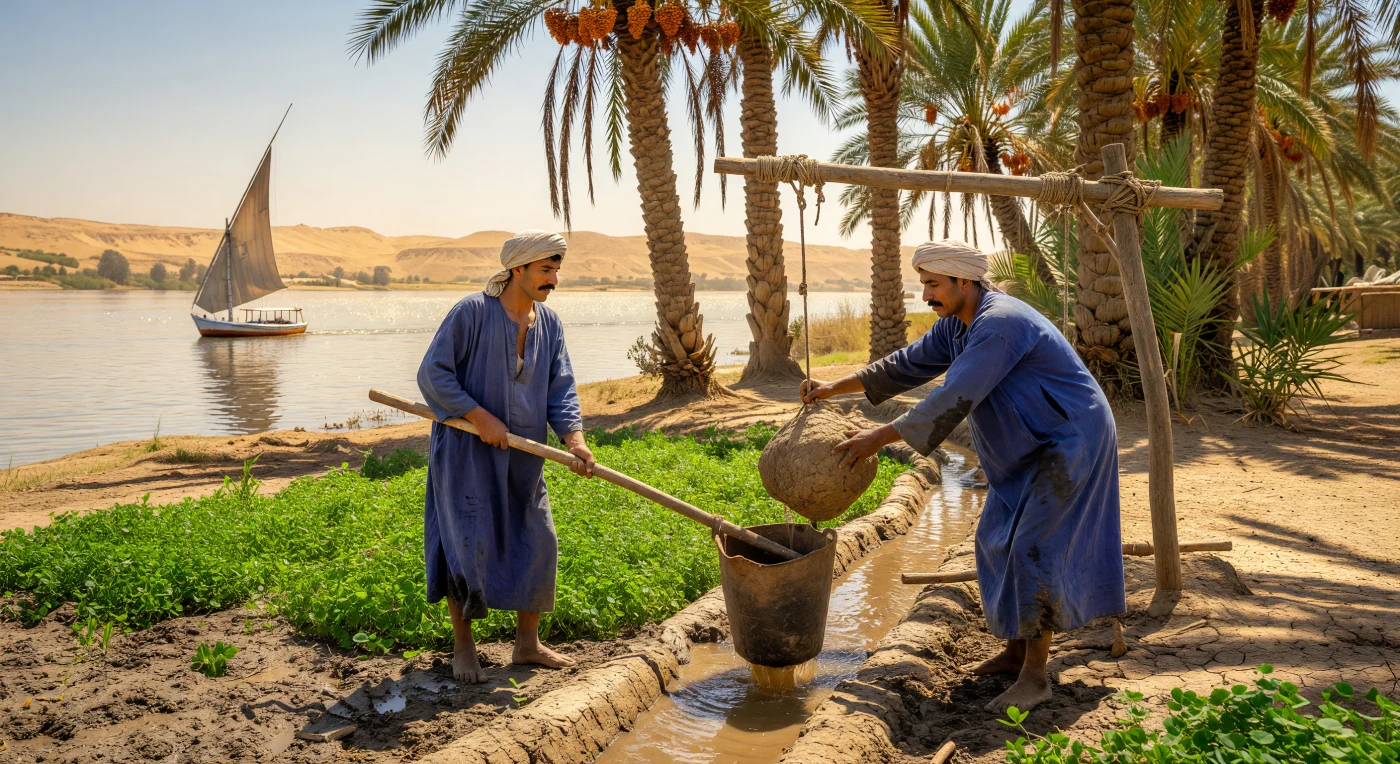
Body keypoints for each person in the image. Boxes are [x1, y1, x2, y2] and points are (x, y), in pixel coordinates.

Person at [800, 239, 1124, 714]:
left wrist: (876, 438)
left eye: (933, 285)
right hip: (1029, 445)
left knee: (1035, 545)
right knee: (996, 540)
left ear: (964, 281)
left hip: (1069, 438)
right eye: (924, 284)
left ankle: (1036, 678)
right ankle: (1015, 653)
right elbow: (904, 366)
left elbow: (954, 396)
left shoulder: (1000, 324)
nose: (927, 295)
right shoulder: (955, 326)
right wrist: (834, 386)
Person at [418, 230, 596, 684]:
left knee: (539, 539)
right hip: (466, 455)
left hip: (524, 459)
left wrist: (574, 441)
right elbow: (433, 374)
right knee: (466, 544)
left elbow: (561, 388)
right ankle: (463, 647)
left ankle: (527, 645)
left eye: (556, 270)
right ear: (517, 269)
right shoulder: (471, 313)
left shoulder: (549, 325)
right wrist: (480, 418)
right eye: (545, 270)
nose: (553, 279)